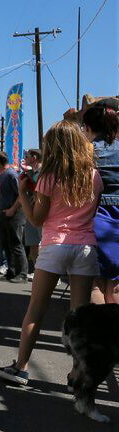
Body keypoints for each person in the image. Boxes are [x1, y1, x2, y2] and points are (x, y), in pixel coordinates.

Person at [0, 121, 101, 385]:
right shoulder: (94, 176)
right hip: (85, 246)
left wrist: (23, 194)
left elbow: (37, 220)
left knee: (36, 310)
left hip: (55, 246)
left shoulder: (48, 177)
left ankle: (20, 367)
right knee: (79, 316)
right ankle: (77, 374)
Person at [83, 98, 119, 304]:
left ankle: (97, 334)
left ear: (87, 127)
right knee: (115, 284)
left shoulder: (85, 153)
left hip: (95, 218)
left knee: (95, 283)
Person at [0, 151, 27, 282]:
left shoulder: (11, 174)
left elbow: (21, 194)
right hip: (2, 213)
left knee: (16, 244)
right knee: (6, 243)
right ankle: (12, 271)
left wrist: (12, 209)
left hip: (14, 214)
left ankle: (22, 274)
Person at [21, 149, 42, 279]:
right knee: (33, 243)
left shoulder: (43, 172)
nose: (25, 158)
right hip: (30, 211)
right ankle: (36, 270)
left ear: (34, 157)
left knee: (42, 243)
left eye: (27, 156)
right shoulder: (29, 173)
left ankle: (46, 274)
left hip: (41, 212)